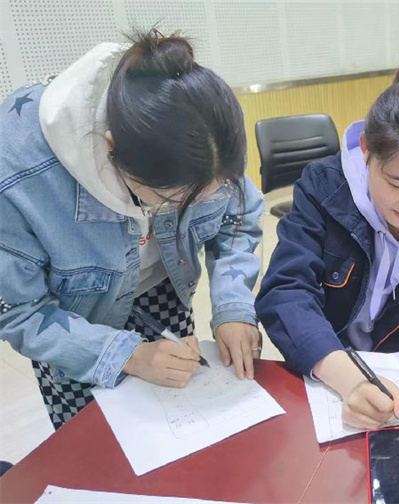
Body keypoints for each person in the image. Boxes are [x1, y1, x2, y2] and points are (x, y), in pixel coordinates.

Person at [0, 30, 264, 429]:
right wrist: (128, 355)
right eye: (170, 199)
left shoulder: (205, 135)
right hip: (73, 321)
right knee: (95, 442)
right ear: (111, 149)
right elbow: (21, 311)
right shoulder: (21, 174)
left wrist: (232, 306)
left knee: (180, 424)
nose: (187, 209)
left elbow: (236, 218)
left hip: (163, 289)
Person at [256, 55, 399, 429]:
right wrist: (349, 378)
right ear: (366, 149)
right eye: (395, 183)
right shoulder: (325, 189)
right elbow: (286, 290)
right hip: (328, 374)